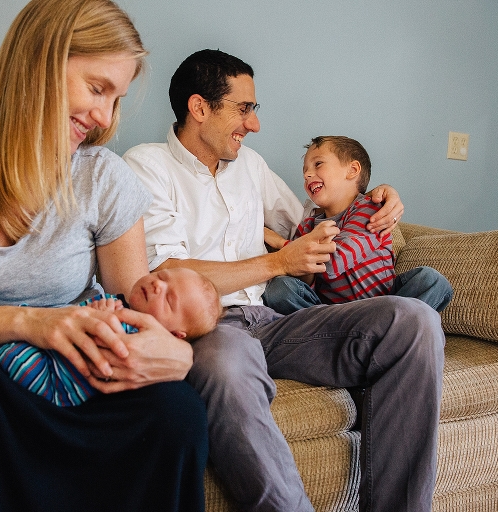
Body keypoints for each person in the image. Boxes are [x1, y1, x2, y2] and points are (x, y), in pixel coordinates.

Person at [0, 1, 209, 510]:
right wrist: (27, 323)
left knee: (175, 410)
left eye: (116, 99)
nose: (104, 118)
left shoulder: (104, 178)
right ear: (40, 61)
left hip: (69, 389)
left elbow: (139, 306)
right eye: (97, 89)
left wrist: (179, 354)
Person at [123, 49, 445, 512]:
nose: (253, 124)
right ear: (199, 108)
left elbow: (314, 222)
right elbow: (166, 273)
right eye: (244, 108)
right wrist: (278, 264)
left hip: (277, 322)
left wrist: (375, 195)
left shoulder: (250, 167)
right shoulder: (147, 166)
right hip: (214, 330)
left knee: (412, 320)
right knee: (228, 363)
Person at [0, 267, 222, 407]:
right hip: (49, 351)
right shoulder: (119, 305)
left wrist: (102, 320)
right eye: (161, 276)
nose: (158, 285)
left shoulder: (139, 338)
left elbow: (109, 355)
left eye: (169, 300)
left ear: (173, 335)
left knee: (8, 344)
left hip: (47, 378)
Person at [263, 135, 453, 314]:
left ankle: (381, 331)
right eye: (305, 171)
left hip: (381, 305)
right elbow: (303, 277)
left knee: (431, 280)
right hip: (332, 314)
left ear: (352, 170)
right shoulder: (307, 226)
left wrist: (281, 244)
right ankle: (353, 337)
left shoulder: (371, 209)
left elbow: (334, 264)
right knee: (280, 289)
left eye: (318, 164)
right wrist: (299, 263)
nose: (307, 175)